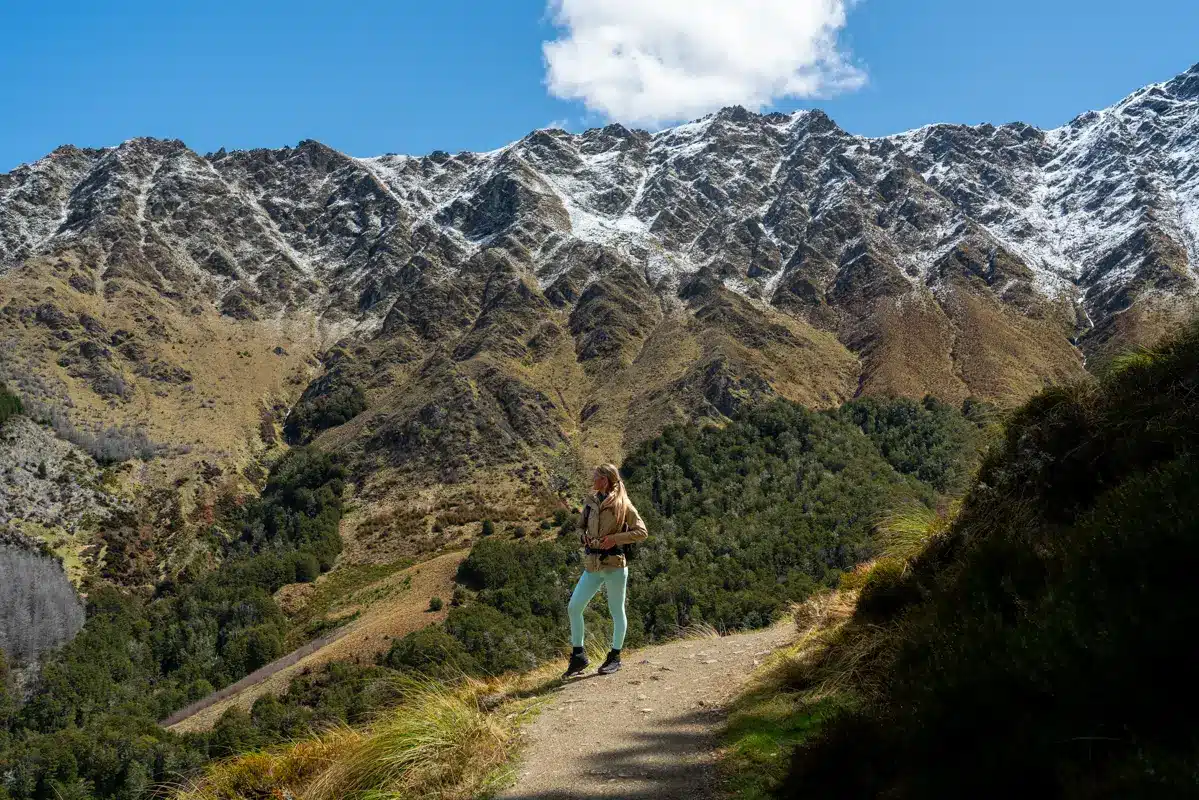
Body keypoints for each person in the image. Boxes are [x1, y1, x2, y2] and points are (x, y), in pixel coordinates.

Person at [564, 463, 648, 678]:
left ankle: (615, 656)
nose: (592, 478)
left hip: (615, 565)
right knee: (574, 607)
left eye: (596, 476)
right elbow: (579, 527)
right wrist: (583, 538)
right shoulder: (591, 502)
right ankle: (578, 656)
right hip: (592, 564)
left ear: (605, 479)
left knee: (616, 611)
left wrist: (615, 539)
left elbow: (641, 532)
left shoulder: (623, 504)